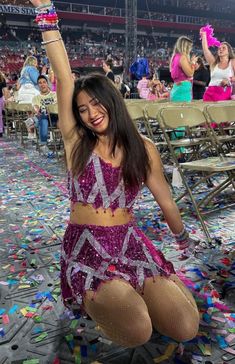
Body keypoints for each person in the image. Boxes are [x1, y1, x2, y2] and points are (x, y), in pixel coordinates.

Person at [29, 0, 199, 348]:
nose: (91, 114)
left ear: (113, 100)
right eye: (82, 109)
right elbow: (64, 76)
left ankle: (134, 293)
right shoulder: (77, 142)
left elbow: (166, 202)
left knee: (186, 327)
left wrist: (183, 240)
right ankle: (94, 301)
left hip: (131, 244)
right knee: (138, 331)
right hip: (87, 247)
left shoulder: (144, 148)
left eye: (96, 103)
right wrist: (45, 9)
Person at [200, 32, 235, 101]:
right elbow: (205, 50)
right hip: (209, 93)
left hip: (224, 92)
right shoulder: (213, 63)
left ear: (229, 51)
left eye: (223, 48)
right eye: (219, 48)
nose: (220, 49)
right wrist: (203, 36)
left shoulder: (233, 61)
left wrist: (229, 80)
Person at [170, 36, 197, 102]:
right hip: (183, 88)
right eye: (190, 47)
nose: (190, 49)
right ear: (185, 46)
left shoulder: (174, 57)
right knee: (184, 110)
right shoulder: (183, 57)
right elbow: (190, 74)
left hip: (177, 87)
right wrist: (193, 62)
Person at [0, 71, 7, 137]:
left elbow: (5, 90)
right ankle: (1, 130)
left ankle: (1, 130)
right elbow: (5, 90)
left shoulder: (2, 78)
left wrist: (6, 99)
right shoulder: (2, 78)